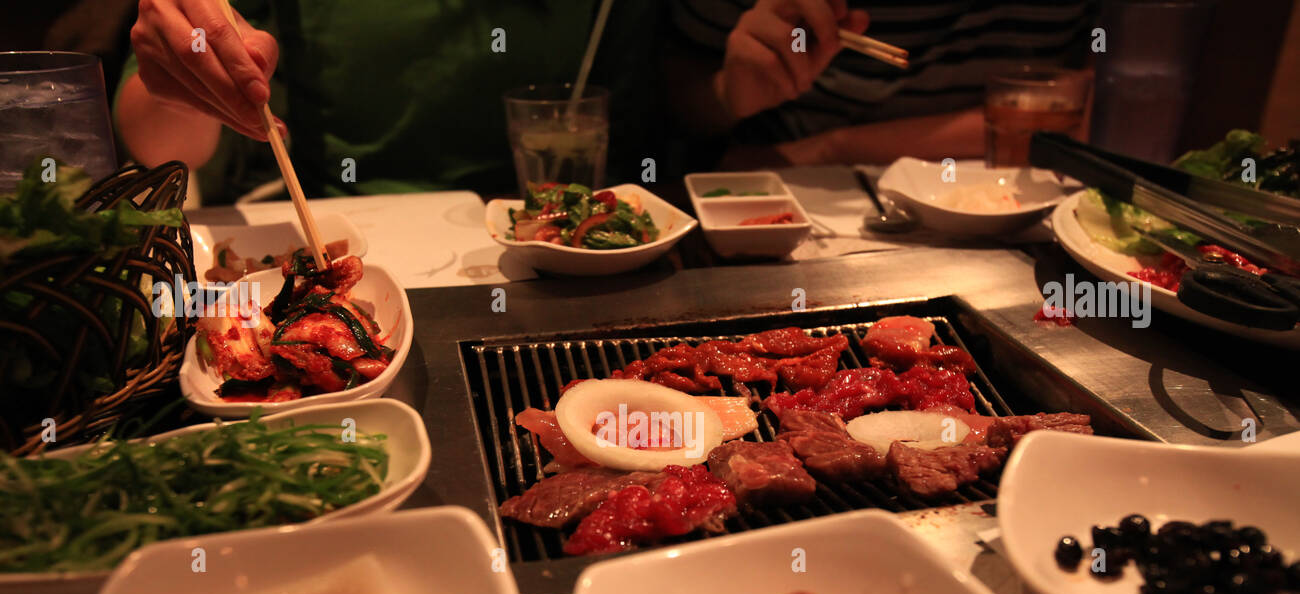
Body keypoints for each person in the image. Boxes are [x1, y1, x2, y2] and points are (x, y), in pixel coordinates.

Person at [115, 0, 665, 201]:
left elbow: (656, 121)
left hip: (561, 249)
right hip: (351, 234)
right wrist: (188, 88)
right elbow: (164, 147)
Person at [665, 0, 1095, 168]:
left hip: (1020, 203)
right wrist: (728, 95)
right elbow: (678, 108)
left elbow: (1087, 110)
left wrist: (830, 148)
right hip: (784, 198)